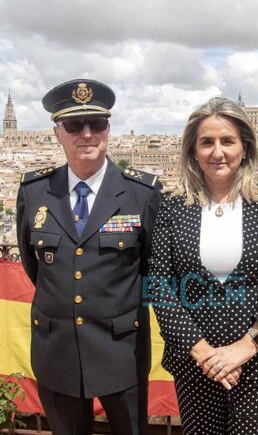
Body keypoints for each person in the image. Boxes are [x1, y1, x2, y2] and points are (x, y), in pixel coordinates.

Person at [145, 96, 258, 434]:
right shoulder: (172, 206)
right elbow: (158, 286)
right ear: (193, 150)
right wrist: (206, 355)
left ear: (245, 147)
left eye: (227, 141)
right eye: (207, 142)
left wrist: (245, 348)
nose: (218, 152)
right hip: (195, 366)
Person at [16, 79, 161, 435]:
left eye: (97, 124)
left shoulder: (141, 193)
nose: (87, 134)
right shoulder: (34, 192)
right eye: (74, 125)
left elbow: (151, 271)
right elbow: (35, 265)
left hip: (121, 353)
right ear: (57, 133)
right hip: (57, 352)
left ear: (108, 129)